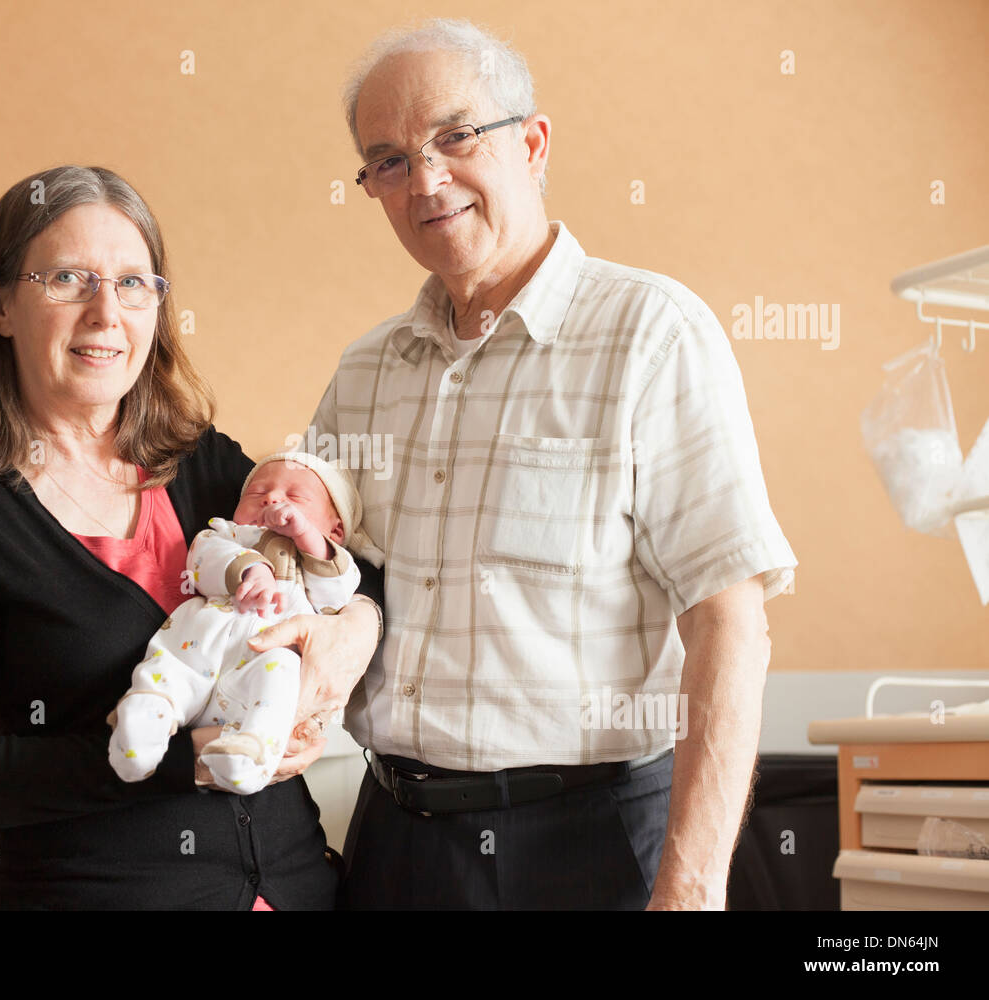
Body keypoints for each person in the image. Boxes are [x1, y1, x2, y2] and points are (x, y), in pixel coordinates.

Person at [292, 19, 798, 909]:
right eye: (390, 160)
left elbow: (729, 623)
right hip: (394, 843)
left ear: (532, 143)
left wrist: (691, 885)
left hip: (594, 846)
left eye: (456, 137)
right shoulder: (366, 369)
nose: (428, 180)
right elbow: (337, 575)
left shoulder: (652, 333)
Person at [0, 165, 382, 910]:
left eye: (134, 283)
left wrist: (355, 628)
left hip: (300, 886)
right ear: (1, 304)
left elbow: (345, 575)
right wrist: (181, 764)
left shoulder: (206, 464)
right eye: (68, 279)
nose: (106, 313)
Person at [109, 453, 379, 795]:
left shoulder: (327, 568)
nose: (271, 498)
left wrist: (307, 536)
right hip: (201, 645)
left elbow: (337, 595)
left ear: (336, 530)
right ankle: (143, 725)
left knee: (281, 670)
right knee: (168, 666)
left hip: (257, 672)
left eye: (295, 496)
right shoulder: (227, 534)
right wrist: (251, 568)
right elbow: (202, 558)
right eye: (257, 493)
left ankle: (248, 752)